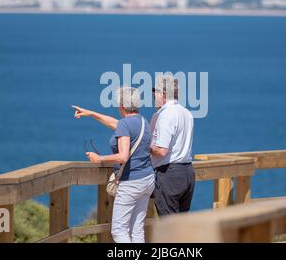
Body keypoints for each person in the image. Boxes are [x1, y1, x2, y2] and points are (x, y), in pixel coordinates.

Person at [73, 87, 154, 243]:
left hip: (131, 182)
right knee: (136, 230)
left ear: (122, 105)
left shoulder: (125, 124)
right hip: (147, 179)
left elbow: (123, 156)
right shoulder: (142, 121)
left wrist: (99, 159)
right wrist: (91, 113)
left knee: (118, 231)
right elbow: (114, 123)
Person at [149, 75, 195, 216]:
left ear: (163, 94)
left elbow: (162, 151)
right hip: (187, 172)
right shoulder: (187, 113)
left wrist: (143, 146)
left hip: (169, 174)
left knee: (168, 228)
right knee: (181, 227)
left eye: (155, 92)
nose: (153, 96)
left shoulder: (166, 114)